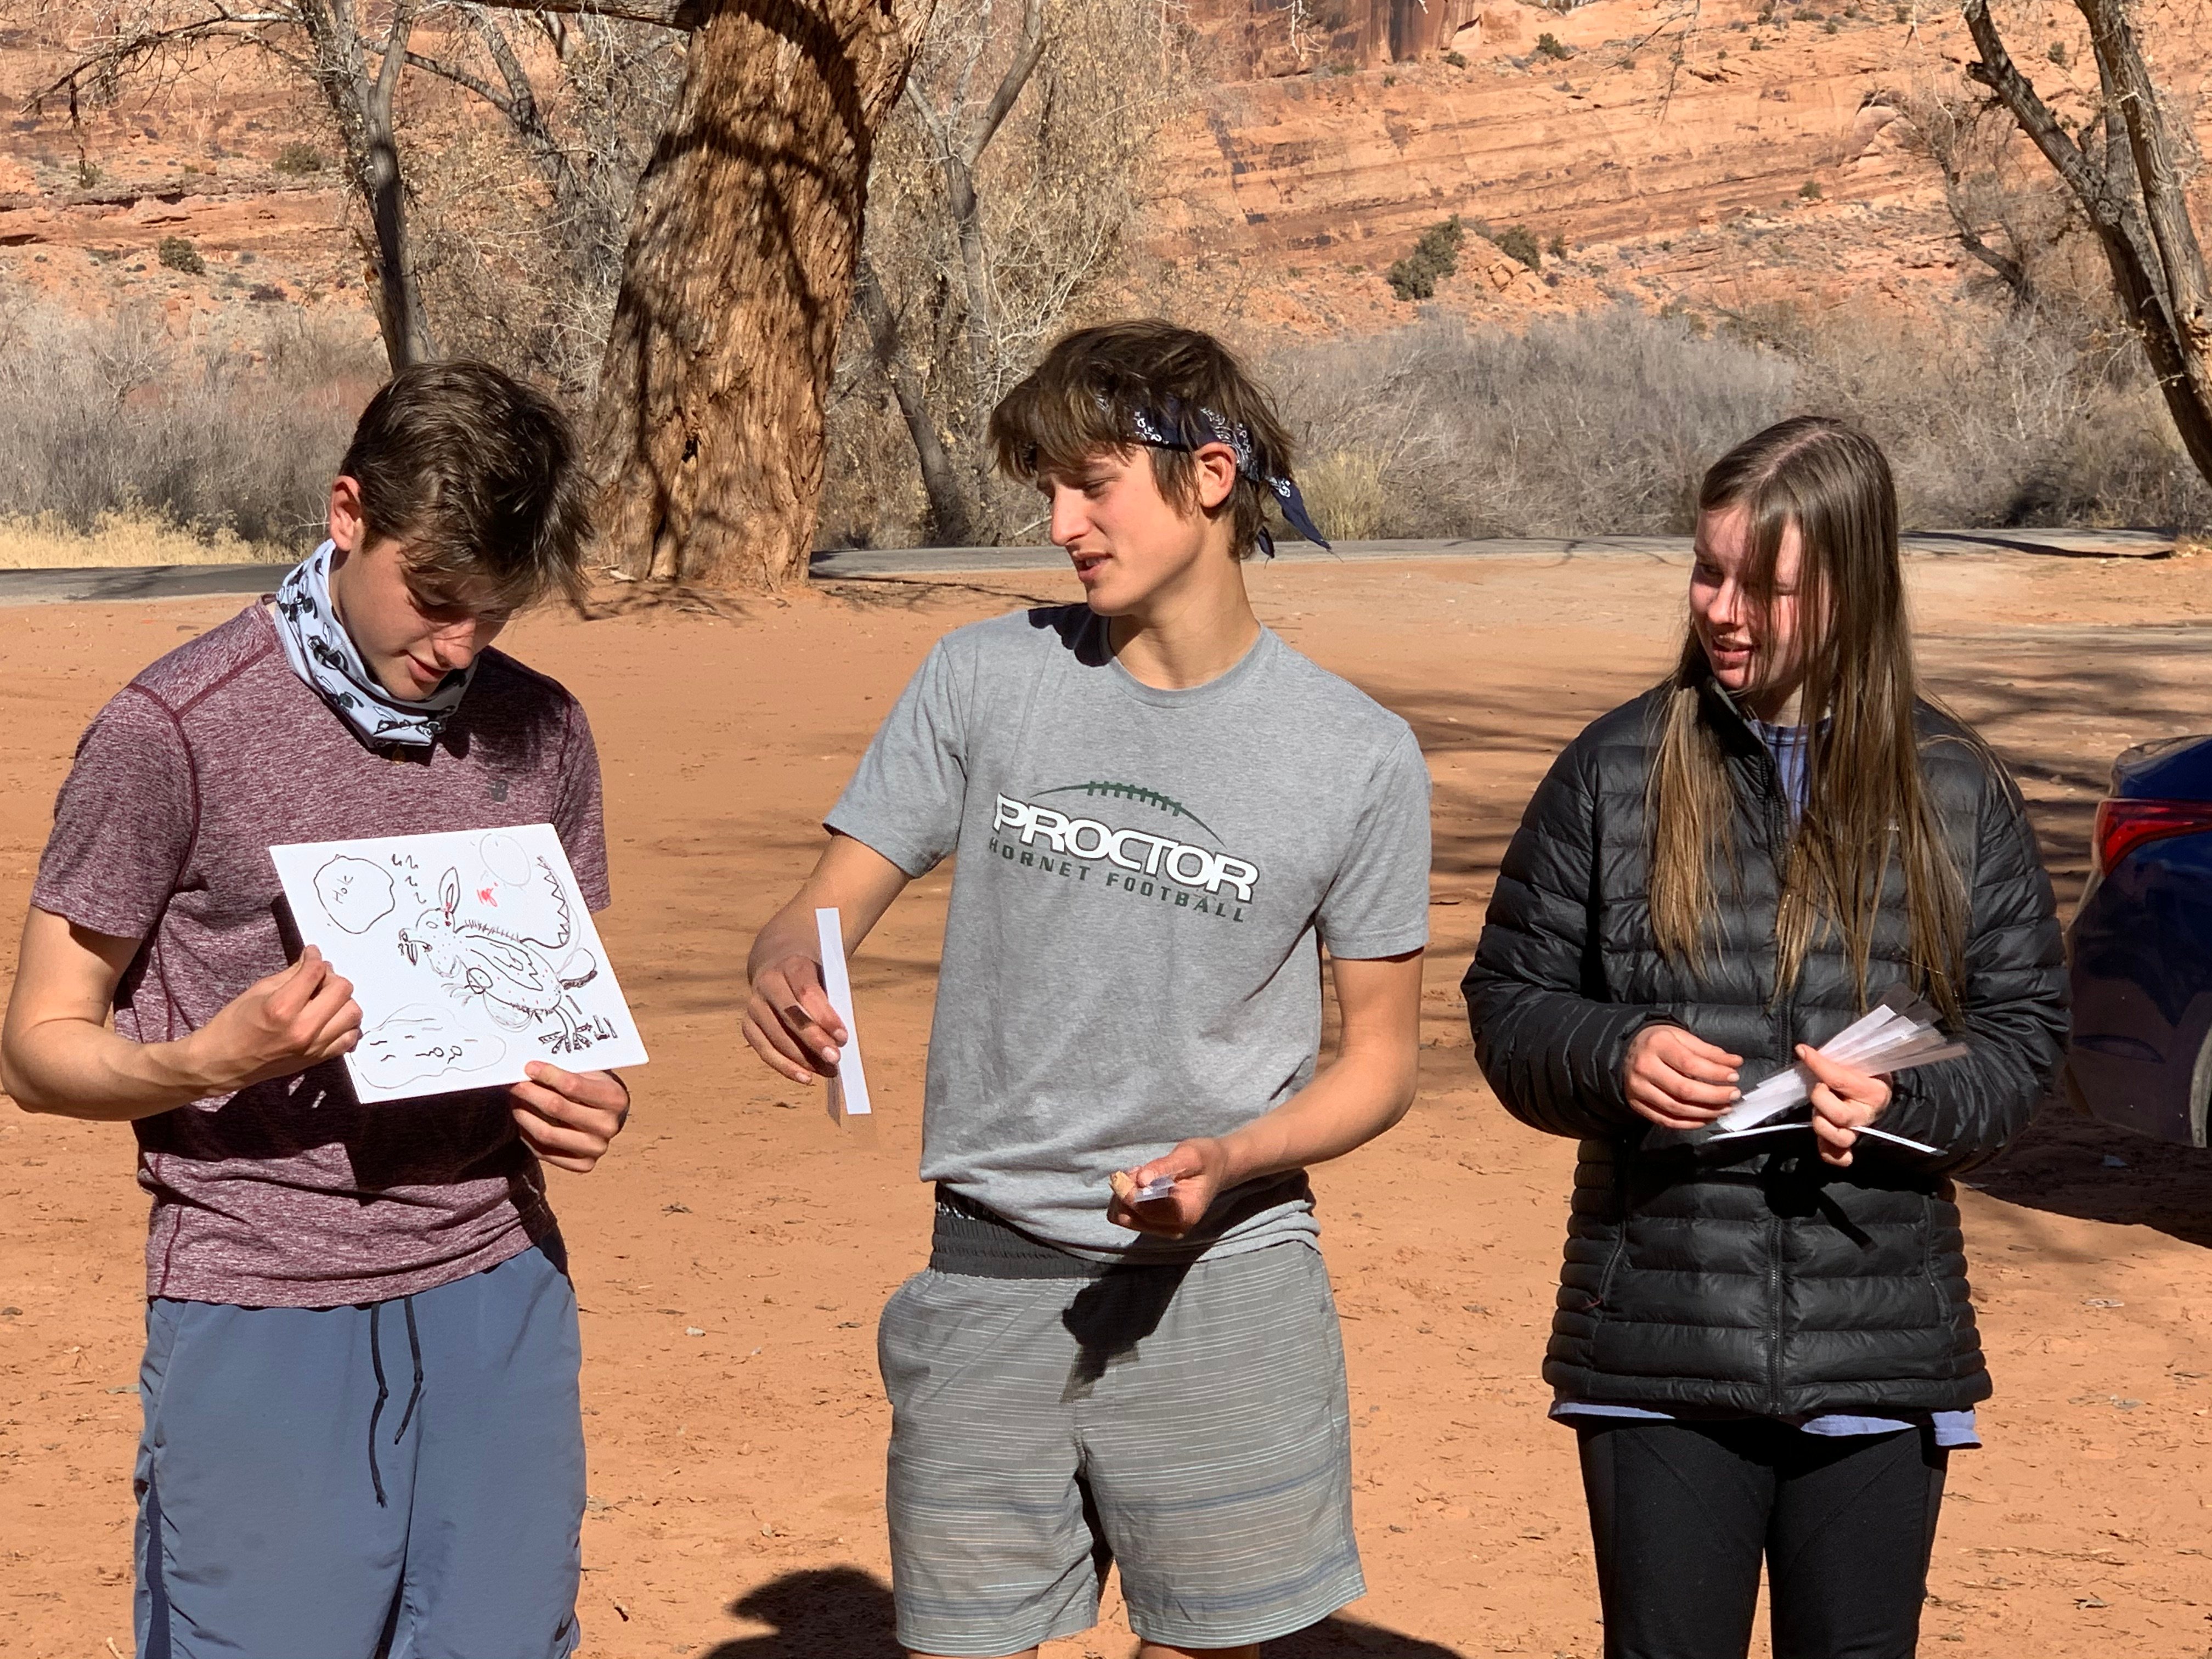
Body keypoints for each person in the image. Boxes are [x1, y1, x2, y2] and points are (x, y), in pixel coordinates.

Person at [740, 320, 1432, 1659]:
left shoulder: (1357, 755)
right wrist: (784, 971)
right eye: (1047, 489)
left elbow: (1380, 1064)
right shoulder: (984, 678)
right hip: (986, 1275)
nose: (1060, 522)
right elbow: (816, 911)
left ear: (1211, 474)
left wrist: (1232, 1156)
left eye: (1091, 483)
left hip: (1224, 1282)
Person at [0, 362, 631, 1659]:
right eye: (436, 600)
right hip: (258, 1299)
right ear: (348, 513)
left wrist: (592, 1094)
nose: (459, 646)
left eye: (495, 613)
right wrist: (202, 1057)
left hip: (496, 1280)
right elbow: (36, 1049)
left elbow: (564, 1009)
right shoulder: (172, 727)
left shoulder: (543, 729)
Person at [1462, 416, 2065, 1659]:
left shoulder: (1958, 786)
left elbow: (2023, 1036)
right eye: (1706, 570)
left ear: (1854, 585)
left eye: (1768, 586)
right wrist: (1612, 1055)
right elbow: (1511, 1005)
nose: (1724, 610)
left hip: (1882, 1345)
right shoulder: (1612, 771)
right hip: (1659, 1344)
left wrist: (1906, 1108)